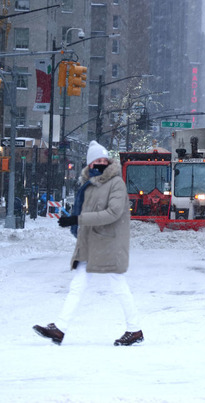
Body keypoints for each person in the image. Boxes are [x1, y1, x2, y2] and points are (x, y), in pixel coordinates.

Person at [33, 141, 144, 346]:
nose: (101, 163)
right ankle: (60, 329)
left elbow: (112, 213)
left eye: (104, 160)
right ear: (90, 164)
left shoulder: (114, 183)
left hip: (107, 242)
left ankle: (134, 329)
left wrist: (77, 221)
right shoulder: (90, 183)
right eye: (97, 160)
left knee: (117, 285)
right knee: (78, 286)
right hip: (92, 242)